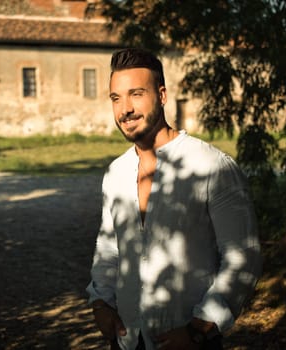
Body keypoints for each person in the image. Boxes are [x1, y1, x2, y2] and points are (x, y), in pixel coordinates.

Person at [86, 48, 262, 350]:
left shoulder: (211, 165)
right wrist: (101, 302)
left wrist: (199, 329)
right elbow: (109, 246)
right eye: (116, 98)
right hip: (127, 339)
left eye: (136, 94)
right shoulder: (116, 172)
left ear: (162, 95)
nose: (125, 109)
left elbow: (243, 257)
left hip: (189, 339)